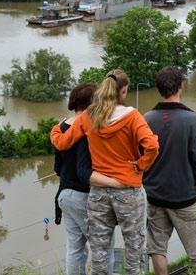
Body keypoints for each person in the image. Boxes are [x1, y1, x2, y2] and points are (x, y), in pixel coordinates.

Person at [51, 69, 159, 275]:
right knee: (134, 250)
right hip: (129, 191)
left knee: (99, 254)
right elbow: (152, 146)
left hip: (98, 194)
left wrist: (55, 129)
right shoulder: (132, 116)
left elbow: (62, 143)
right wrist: (140, 165)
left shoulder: (88, 117)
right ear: (124, 91)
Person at [143, 67, 196, 275]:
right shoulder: (193, 120)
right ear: (181, 85)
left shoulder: (146, 119)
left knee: (157, 248)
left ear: (158, 89)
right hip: (186, 198)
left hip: (154, 196)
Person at [52, 84, 116, 275]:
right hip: (84, 197)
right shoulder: (88, 128)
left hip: (65, 196)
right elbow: (88, 170)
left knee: (75, 249)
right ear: (91, 103)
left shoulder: (61, 127)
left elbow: (57, 168)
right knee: (104, 247)